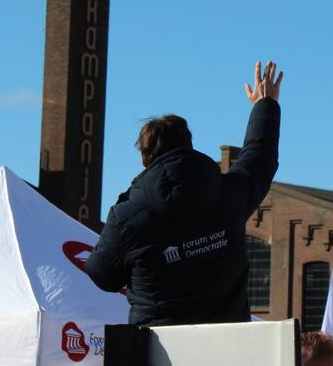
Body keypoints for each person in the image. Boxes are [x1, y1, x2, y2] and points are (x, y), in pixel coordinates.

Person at [85, 61, 282, 325]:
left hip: (159, 350)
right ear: (189, 147)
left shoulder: (127, 217)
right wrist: (264, 104)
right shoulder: (229, 195)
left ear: (145, 160)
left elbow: (103, 275)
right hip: (229, 347)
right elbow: (259, 158)